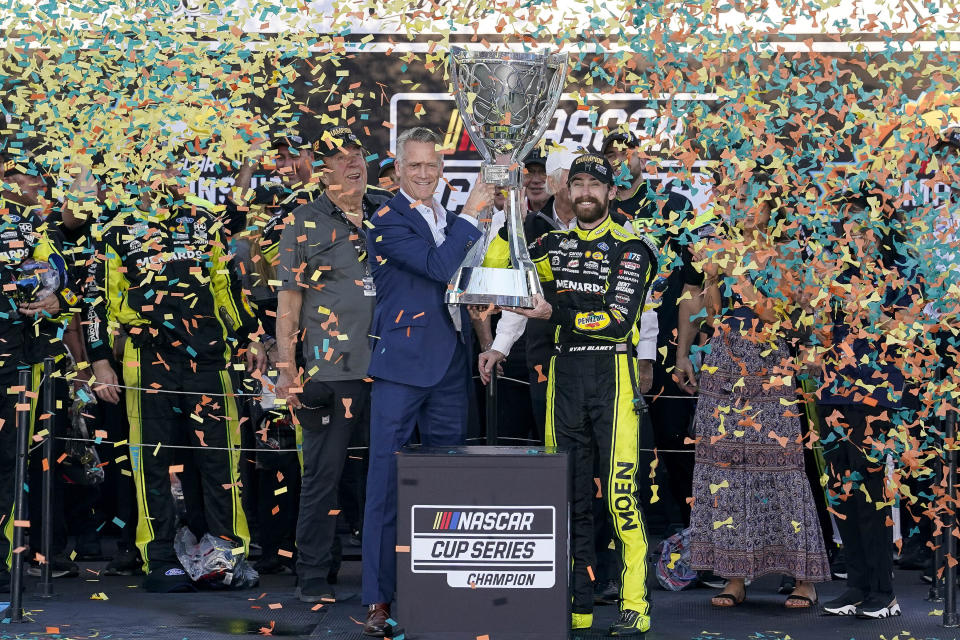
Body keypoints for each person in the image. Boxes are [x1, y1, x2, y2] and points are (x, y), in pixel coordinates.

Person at [85, 159, 266, 593]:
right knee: (152, 462)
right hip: (147, 359)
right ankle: (160, 557)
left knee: (220, 459)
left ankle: (228, 553)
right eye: (152, 164)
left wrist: (252, 336)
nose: (162, 174)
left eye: (171, 164)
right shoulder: (114, 228)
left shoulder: (205, 219)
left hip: (208, 358)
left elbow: (229, 288)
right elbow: (95, 302)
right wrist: (99, 360)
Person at [504, 154, 658, 636]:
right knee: (568, 495)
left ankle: (635, 605)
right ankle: (579, 605)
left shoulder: (634, 248)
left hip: (613, 371)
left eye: (596, 184)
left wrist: (556, 313)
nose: (587, 192)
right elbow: (508, 271)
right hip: (563, 374)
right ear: (565, 191)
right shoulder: (550, 243)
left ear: (612, 192)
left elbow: (615, 319)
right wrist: (500, 199)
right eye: (579, 184)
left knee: (620, 496)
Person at [675, 172, 831, 609]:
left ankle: (803, 578)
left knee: (781, 469)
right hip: (722, 364)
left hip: (771, 368)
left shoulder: (787, 254)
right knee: (724, 470)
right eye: (737, 199)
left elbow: (793, 311)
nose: (745, 208)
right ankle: (733, 574)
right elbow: (697, 305)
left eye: (754, 201)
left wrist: (739, 274)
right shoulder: (715, 249)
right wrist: (684, 352)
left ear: (770, 208)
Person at [361, 126, 492, 636]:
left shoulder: (446, 216)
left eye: (431, 166)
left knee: (447, 488)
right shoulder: (386, 218)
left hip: (449, 369)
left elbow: (463, 277)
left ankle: (444, 590)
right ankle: (377, 599)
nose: (422, 174)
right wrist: (474, 210)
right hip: (401, 369)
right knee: (385, 488)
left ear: (441, 169)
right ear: (396, 170)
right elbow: (440, 266)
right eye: (413, 166)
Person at [274, 126, 392, 603]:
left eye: (357, 154)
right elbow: (288, 302)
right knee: (323, 475)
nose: (352, 163)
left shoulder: (392, 209)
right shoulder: (301, 220)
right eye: (340, 157)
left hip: (391, 369)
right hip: (330, 370)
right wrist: (287, 369)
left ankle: (387, 574)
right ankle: (313, 575)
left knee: (386, 475)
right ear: (321, 169)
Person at [602, 129, 697, 527]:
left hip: (668, 351)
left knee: (676, 445)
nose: (620, 161)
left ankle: (693, 543)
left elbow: (695, 285)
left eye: (628, 153)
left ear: (642, 157)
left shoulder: (673, 206)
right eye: (611, 155)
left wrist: (682, 354)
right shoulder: (595, 210)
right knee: (616, 448)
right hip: (612, 352)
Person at [0, 145, 78, 591]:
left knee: (23, 463)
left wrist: (56, 299)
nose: (35, 185)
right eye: (23, 178)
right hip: (8, 360)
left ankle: (19, 562)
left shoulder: (41, 228)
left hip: (31, 367)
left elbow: (66, 286)